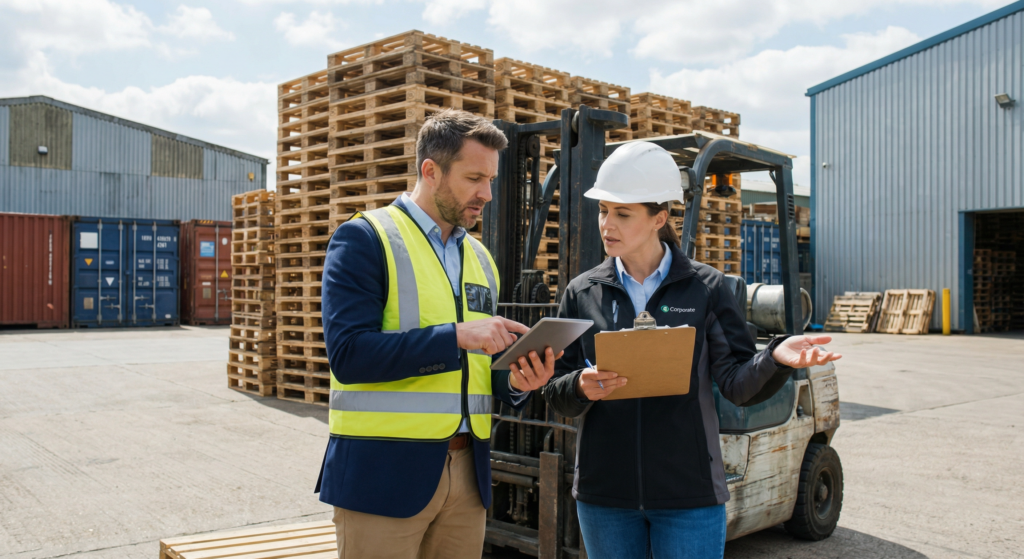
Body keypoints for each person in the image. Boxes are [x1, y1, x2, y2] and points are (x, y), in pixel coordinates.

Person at [543, 142, 842, 559]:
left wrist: (774, 359)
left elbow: (737, 385)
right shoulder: (582, 292)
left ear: (659, 218)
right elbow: (556, 391)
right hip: (605, 494)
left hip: (688, 494)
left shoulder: (708, 288)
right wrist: (579, 386)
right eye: (602, 210)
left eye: (622, 213)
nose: (606, 224)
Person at [317, 109, 559, 559]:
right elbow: (349, 357)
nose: (486, 193)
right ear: (431, 171)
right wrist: (457, 337)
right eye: (473, 178)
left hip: (468, 477)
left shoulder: (482, 259)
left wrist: (517, 382)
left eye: (490, 179)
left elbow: (478, 371)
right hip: (383, 477)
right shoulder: (365, 239)